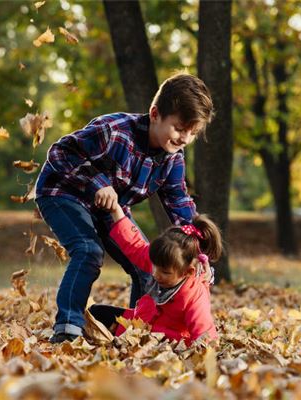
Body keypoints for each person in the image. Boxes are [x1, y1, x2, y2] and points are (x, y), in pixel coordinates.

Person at [35, 73, 214, 343]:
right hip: (64, 192)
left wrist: (199, 254)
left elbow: (179, 201)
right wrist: (97, 183)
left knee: (149, 266)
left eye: (192, 133)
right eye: (179, 128)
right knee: (88, 250)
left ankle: (135, 333)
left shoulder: (173, 156)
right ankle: (67, 329)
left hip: (111, 208)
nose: (184, 138)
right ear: (155, 114)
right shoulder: (114, 130)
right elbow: (61, 152)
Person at [89, 203, 222, 345]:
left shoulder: (194, 294)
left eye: (165, 272)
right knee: (95, 312)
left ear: (187, 272)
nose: (156, 274)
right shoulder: (161, 261)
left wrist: (204, 352)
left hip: (164, 341)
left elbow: (204, 331)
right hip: (137, 324)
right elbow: (134, 245)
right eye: (154, 267)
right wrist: (116, 211)